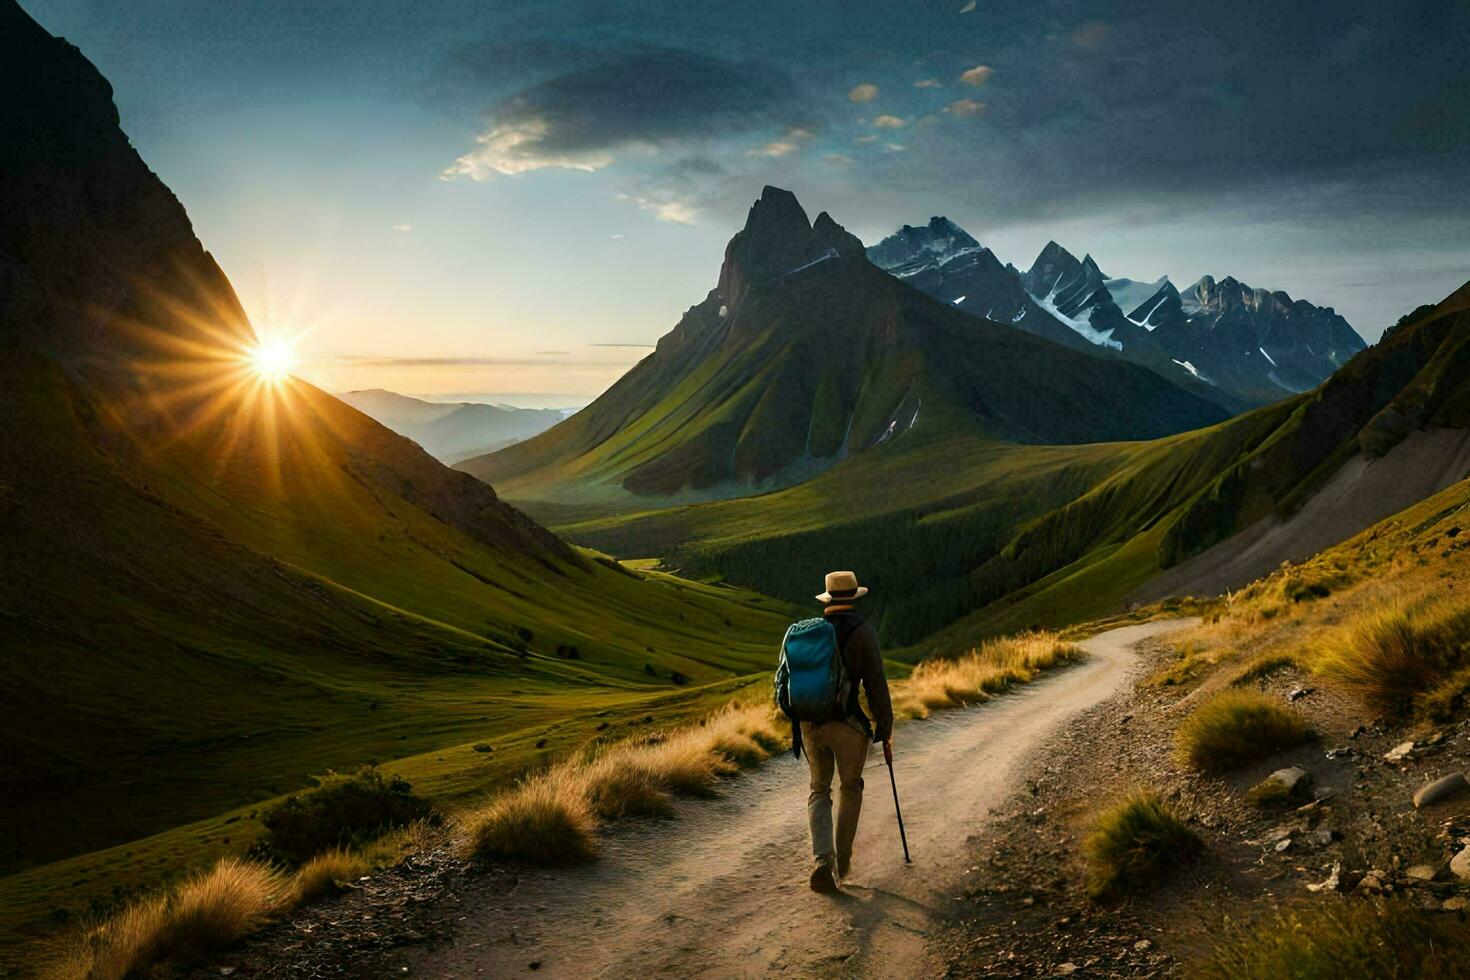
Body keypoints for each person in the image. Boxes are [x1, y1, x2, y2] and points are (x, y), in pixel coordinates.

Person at [800, 570, 893, 893]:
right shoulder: (863, 631)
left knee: (819, 790)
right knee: (850, 787)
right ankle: (843, 863)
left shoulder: (811, 632)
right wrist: (885, 725)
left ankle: (822, 861)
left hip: (810, 724)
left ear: (827, 598)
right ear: (853, 597)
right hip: (848, 726)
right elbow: (876, 683)